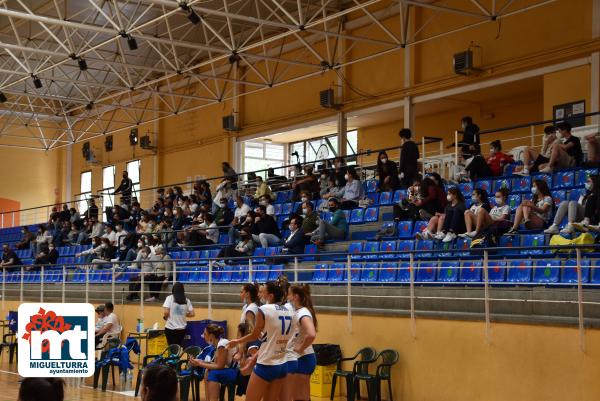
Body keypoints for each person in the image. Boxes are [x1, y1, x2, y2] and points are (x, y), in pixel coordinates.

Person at [227, 281, 295, 401]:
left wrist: (237, 341)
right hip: (282, 363)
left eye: (263, 292)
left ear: (271, 296)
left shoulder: (264, 309)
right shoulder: (289, 310)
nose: (260, 294)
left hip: (266, 364)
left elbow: (254, 334)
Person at [286, 284, 317, 401]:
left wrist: (300, 348)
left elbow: (312, 334)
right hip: (302, 357)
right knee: (301, 397)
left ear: (296, 297)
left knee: (300, 397)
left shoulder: (303, 312)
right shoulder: (299, 311)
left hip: (304, 358)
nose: (287, 297)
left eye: (289, 294)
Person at [191, 324, 237, 401]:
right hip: (231, 369)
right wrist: (200, 361)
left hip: (237, 371)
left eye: (205, 334)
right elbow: (215, 364)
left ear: (211, 336)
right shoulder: (217, 344)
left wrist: (200, 364)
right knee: (207, 371)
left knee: (211, 372)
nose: (203, 336)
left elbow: (220, 366)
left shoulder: (222, 344)